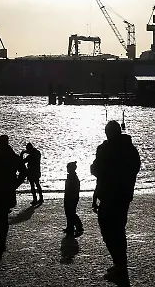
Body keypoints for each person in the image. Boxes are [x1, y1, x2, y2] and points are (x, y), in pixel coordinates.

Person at [91, 120, 141, 283]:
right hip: (123, 195)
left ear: (109, 133)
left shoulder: (106, 149)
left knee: (110, 232)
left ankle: (120, 266)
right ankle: (120, 264)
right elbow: (134, 169)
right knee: (118, 231)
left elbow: (96, 169)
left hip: (110, 195)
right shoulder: (130, 149)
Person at [63, 161, 83, 236]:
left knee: (71, 213)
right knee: (69, 213)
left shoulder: (73, 178)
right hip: (71, 197)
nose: (67, 169)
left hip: (71, 197)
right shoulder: (72, 177)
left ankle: (78, 226)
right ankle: (70, 227)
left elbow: (72, 189)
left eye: (68, 168)